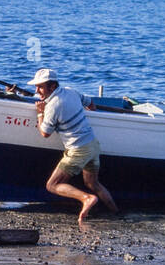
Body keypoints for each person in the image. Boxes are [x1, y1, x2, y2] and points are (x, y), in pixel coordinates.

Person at [33, 67, 117, 223]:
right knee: (93, 182)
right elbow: (91, 104)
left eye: (40, 87)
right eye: (36, 86)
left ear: (52, 86)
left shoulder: (53, 106)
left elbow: (45, 133)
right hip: (92, 144)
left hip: (78, 150)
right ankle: (115, 212)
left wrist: (39, 113)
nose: (37, 90)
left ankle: (87, 199)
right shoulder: (71, 91)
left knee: (52, 185)